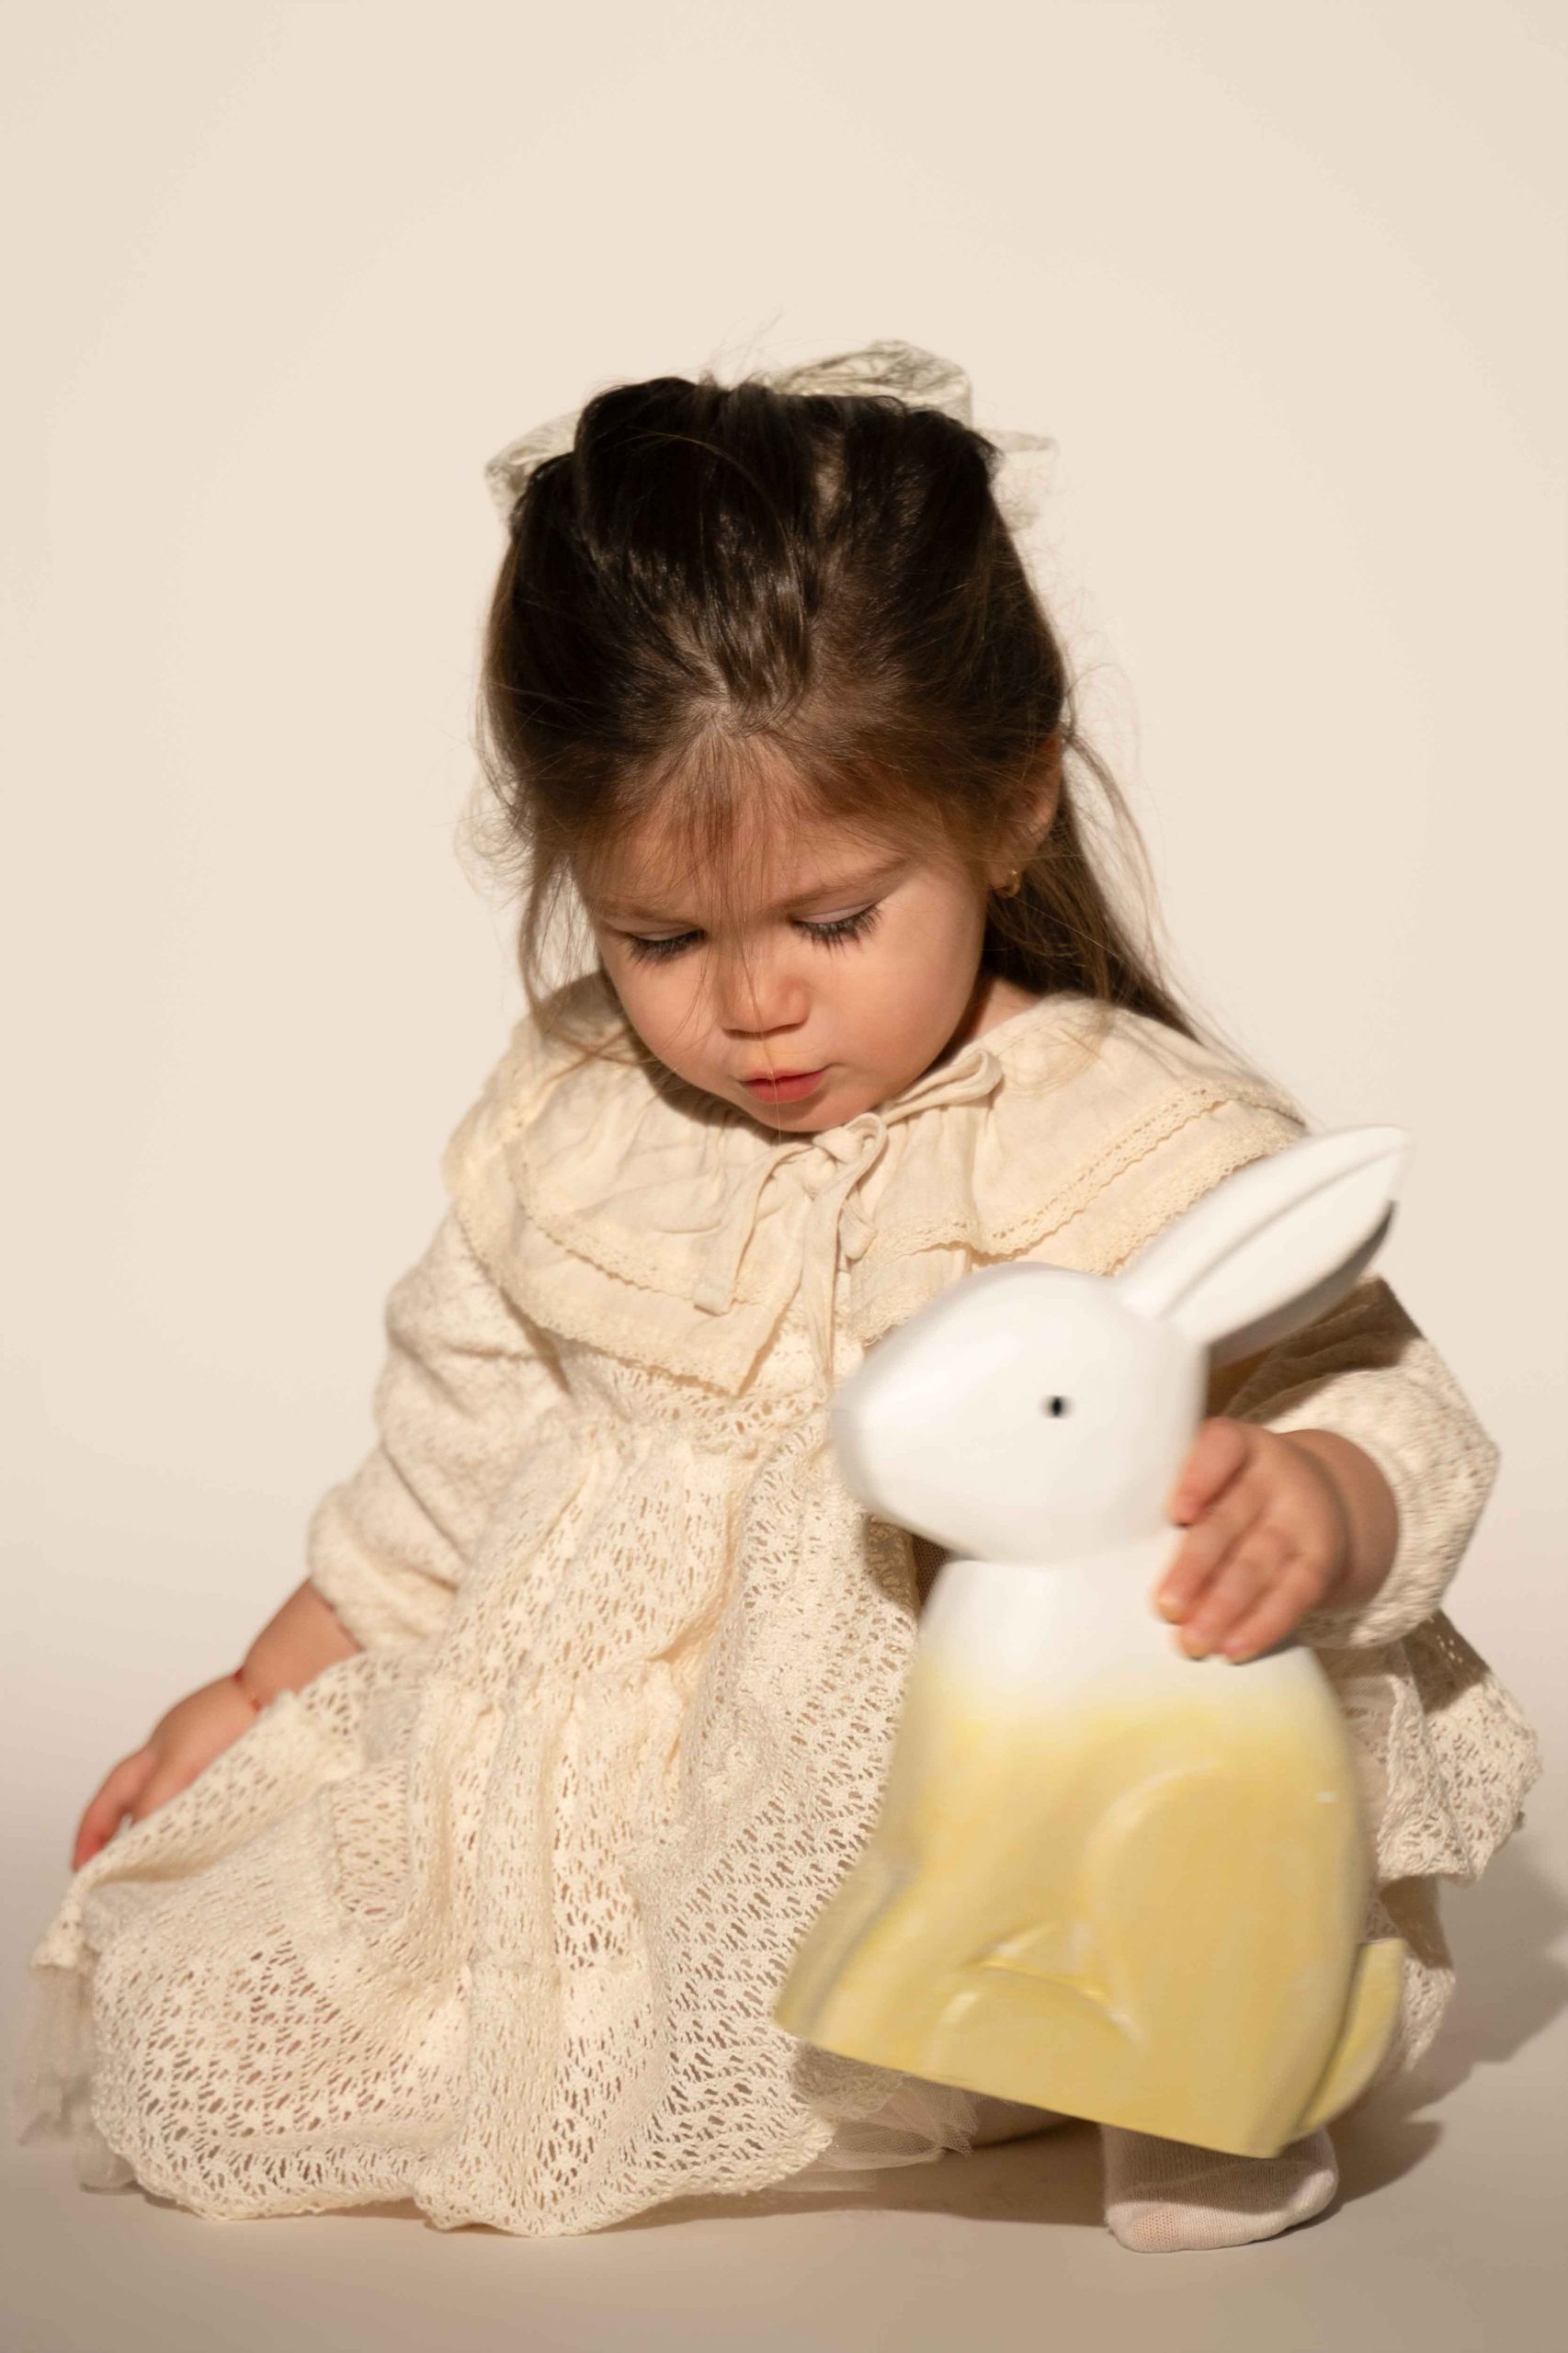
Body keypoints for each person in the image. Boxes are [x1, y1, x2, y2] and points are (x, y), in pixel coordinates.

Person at [12, 341, 1544, 2254]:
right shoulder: (581, 1127)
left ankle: (1192, 2075)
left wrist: (1321, 1496)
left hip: (1027, 1790)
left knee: (1158, 1844)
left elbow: (1376, 1388)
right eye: (659, 935)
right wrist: (259, 1687)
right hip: (681, 1822)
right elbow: (445, 1473)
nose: (754, 1006)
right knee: (275, 2011)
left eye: (833, 919)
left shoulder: (1120, 1138)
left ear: (1010, 806)